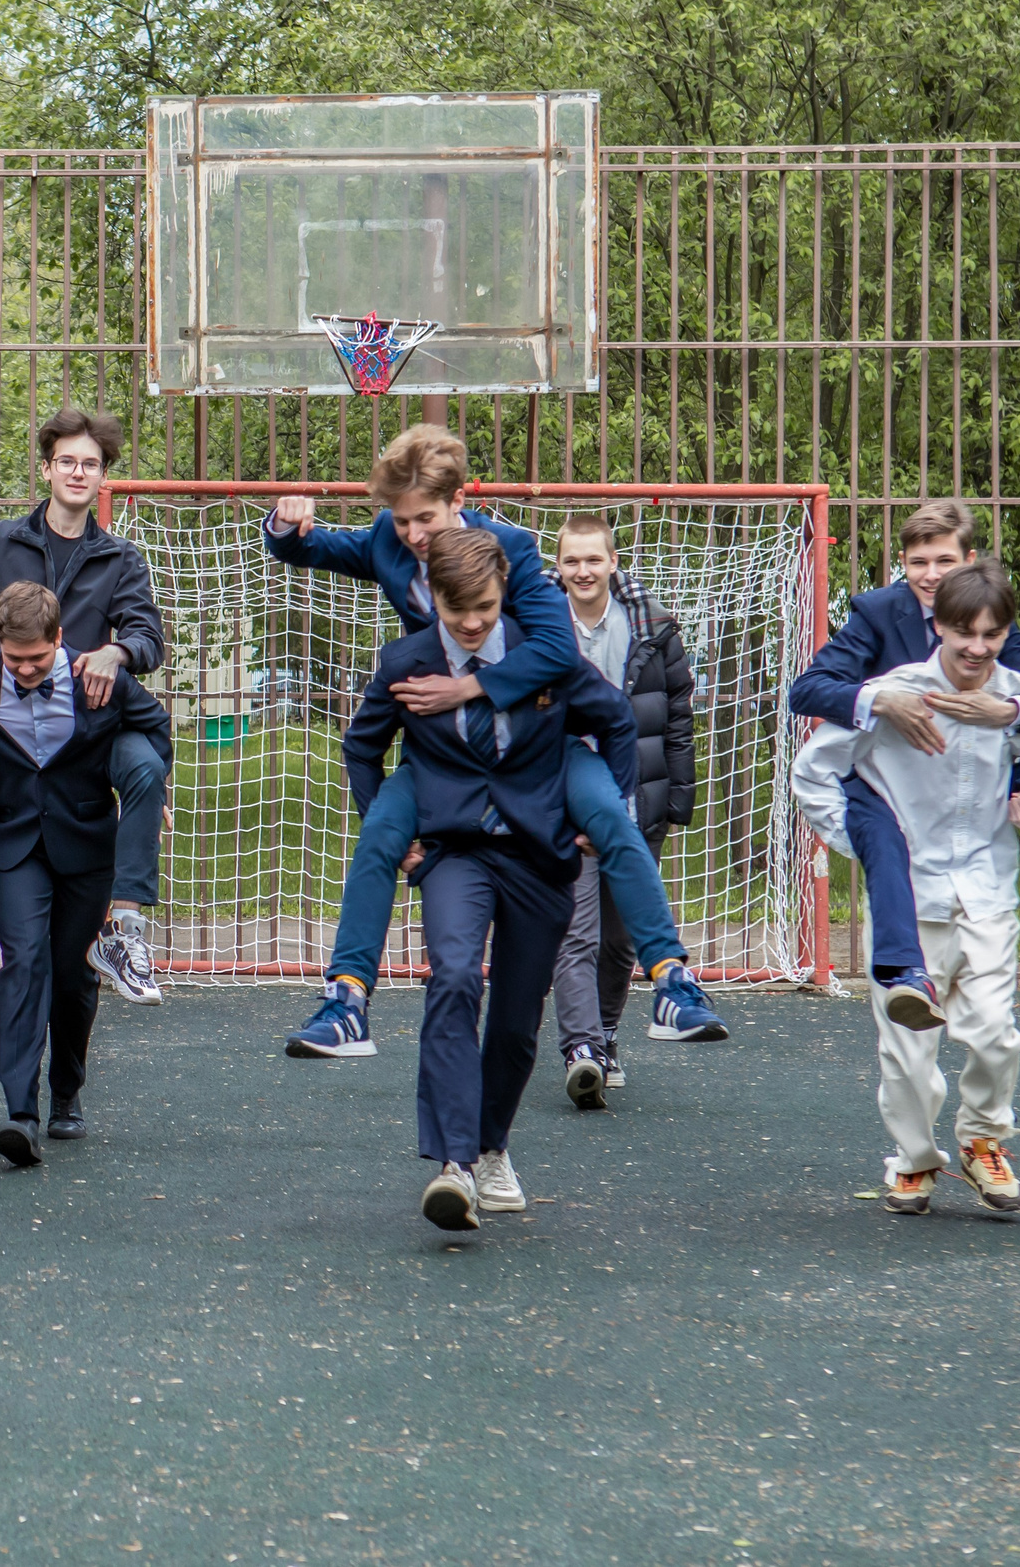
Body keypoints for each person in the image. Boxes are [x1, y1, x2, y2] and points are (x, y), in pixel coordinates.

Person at [262, 427, 724, 1059]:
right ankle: (346, 1002)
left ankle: (673, 982)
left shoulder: (509, 549)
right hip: (443, 751)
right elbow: (310, 551)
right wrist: (287, 524)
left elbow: (559, 651)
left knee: (612, 821)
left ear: (457, 502)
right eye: (402, 523)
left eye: (425, 518)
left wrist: (467, 691)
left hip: (532, 734)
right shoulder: (388, 543)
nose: (414, 535)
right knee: (380, 838)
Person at [339, 531, 639, 1232]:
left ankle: (492, 1146)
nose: (471, 621)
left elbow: (617, 721)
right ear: (432, 598)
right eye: (454, 606)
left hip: (538, 856)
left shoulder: (544, 653)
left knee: (512, 1022)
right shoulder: (405, 662)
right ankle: (453, 1164)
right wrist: (396, 832)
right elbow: (361, 748)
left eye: (482, 605)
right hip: (456, 854)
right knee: (452, 979)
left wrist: (603, 813)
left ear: (503, 591)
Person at [790, 501, 1020, 1016]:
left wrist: (1006, 710)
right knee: (880, 833)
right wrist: (883, 701)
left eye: (944, 561)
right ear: (902, 564)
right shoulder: (878, 613)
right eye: (918, 562)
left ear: (969, 561)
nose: (930, 575)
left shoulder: (985, 619)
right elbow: (809, 690)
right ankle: (904, 972)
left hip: (971, 765)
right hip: (892, 768)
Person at [792, 560, 1020, 1217]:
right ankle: (913, 1159)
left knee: (995, 1034)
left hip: (987, 893)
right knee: (907, 1051)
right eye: (965, 633)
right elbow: (813, 771)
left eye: (991, 635)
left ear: (1005, 634)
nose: (977, 648)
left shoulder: (1014, 698)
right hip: (910, 900)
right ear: (938, 627)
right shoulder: (894, 693)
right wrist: (864, 846)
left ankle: (983, 1140)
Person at [0, 407, 170, 1014]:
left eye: (91, 463)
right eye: (68, 461)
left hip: (88, 724)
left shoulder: (121, 559)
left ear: (103, 474)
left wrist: (115, 651)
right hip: (2, 723)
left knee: (144, 766)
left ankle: (126, 934)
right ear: (47, 468)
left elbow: (148, 637)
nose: (78, 472)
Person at [0, 582, 173, 1169]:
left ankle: (67, 1091)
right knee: (24, 963)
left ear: (59, 640)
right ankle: (20, 1114)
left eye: (37, 658)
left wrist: (152, 784)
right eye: (15, 659)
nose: (26, 669)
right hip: (16, 846)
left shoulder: (100, 679)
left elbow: (154, 724)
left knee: (72, 976)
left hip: (87, 843)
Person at [544, 514, 697, 1109]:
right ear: (559, 567)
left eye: (592, 559)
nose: (582, 571)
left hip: (637, 799)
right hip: (562, 802)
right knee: (574, 932)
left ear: (612, 562)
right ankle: (581, 1049)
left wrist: (675, 798)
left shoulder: (655, 628)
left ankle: (606, 1035)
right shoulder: (538, 623)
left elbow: (678, 718)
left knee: (619, 938)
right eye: (571, 561)